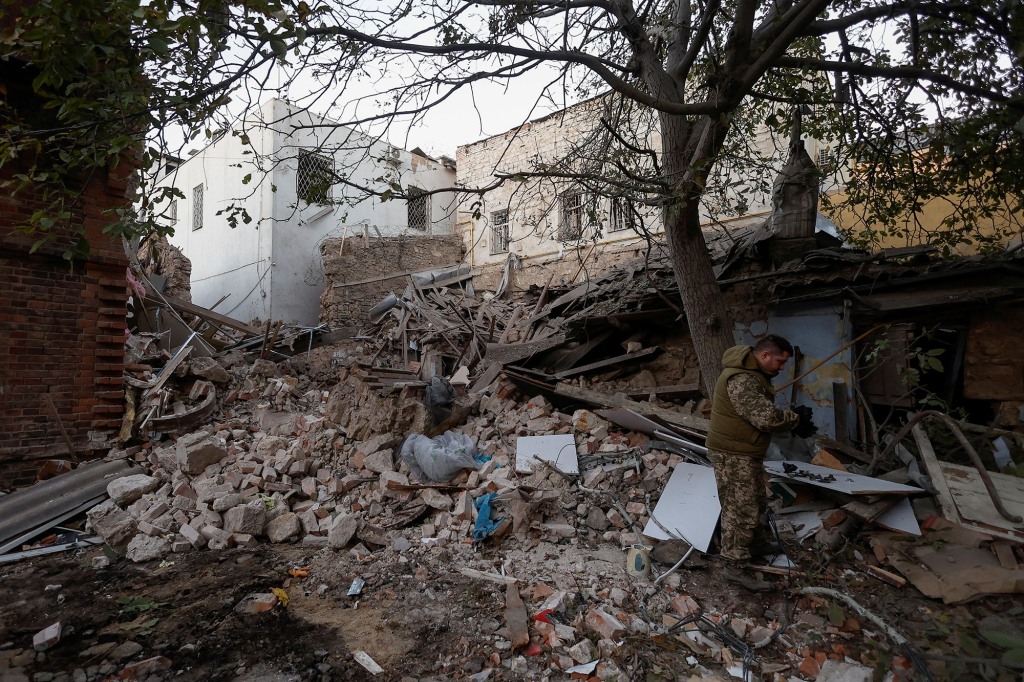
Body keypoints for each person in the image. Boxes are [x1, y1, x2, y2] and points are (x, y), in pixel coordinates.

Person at [706, 334, 816, 591]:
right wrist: (794, 419)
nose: (782, 368)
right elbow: (764, 418)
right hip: (732, 454)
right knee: (739, 509)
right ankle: (734, 566)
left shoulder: (753, 374)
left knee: (755, 499)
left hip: (744, 451)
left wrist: (791, 419)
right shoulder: (741, 378)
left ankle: (754, 545)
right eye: (779, 361)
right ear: (765, 355)